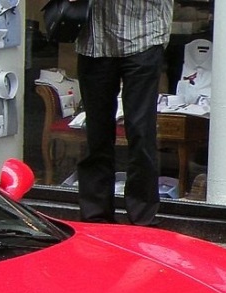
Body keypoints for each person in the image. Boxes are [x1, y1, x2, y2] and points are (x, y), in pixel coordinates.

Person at [74, 0, 174, 226]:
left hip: (143, 36)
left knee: (140, 132)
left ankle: (143, 219)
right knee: (96, 133)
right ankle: (95, 217)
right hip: (94, 41)